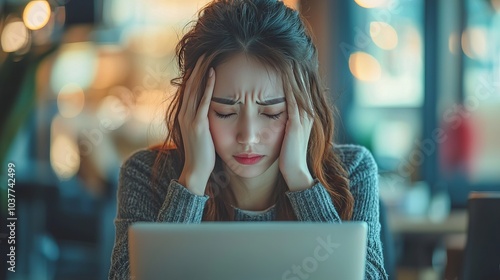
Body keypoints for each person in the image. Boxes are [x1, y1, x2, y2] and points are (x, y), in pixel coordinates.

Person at [109, 0, 388, 279]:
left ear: (304, 107)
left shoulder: (352, 170)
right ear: (192, 108)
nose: (248, 136)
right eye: (225, 112)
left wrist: (301, 180)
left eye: (271, 112)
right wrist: (191, 182)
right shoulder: (146, 174)